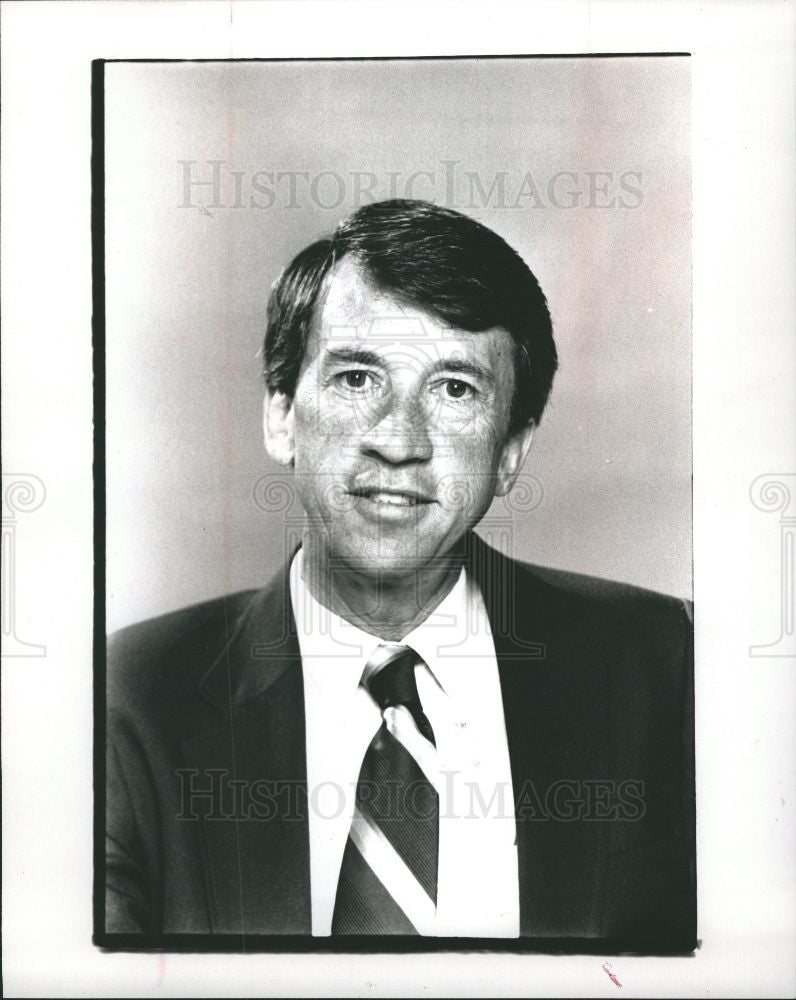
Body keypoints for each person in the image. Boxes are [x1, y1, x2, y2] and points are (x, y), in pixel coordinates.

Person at [104, 199, 695, 948]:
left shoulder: (668, 666)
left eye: (455, 390)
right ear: (281, 413)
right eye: (356, 378)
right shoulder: (126, 698)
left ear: (511, 450)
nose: (399, 440)